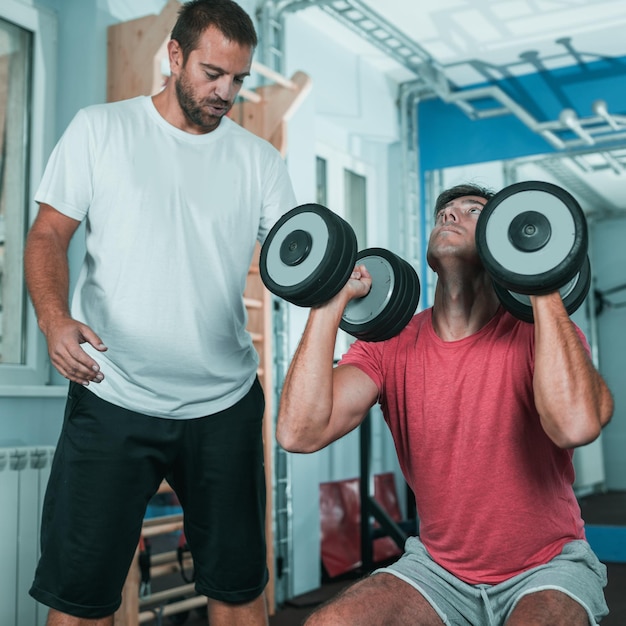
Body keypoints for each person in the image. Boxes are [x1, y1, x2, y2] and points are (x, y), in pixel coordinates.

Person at [24, 1, 296, 624]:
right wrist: (54, 319)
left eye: (238, 78)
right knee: (79, 596)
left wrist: (341, 278)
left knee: (238, 591)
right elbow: (46, 236)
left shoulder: (259, 161)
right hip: (112, 397)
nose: (225, 91)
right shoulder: (100, 129)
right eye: (211, 73)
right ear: (174, 57)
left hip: (223, 405)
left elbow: (296, 261)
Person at [276, 183, 614, 626]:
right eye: (444, 212)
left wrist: (541, 274)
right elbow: (299, 431)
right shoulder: (389, 345)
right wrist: (328, 303)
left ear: (504, 233)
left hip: (548, 566)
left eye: (473, 210)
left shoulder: (540, 334)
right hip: (437, 571)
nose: (450, 215)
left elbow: (576, 426)